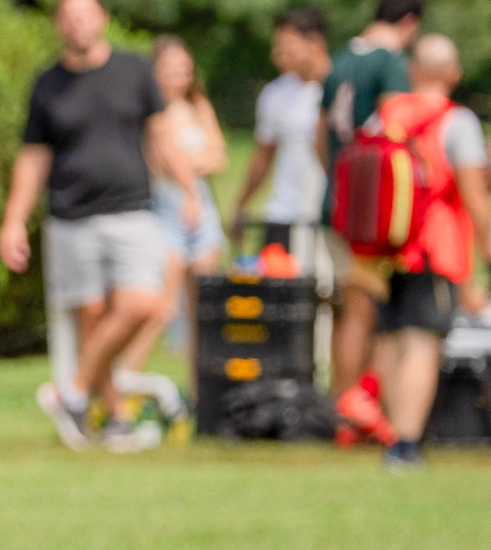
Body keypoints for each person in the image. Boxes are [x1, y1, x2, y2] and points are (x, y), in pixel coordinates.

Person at [0, 0, 198, 451]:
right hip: (71, 217)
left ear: (102, 18)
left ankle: (72, 390)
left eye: (85, 13)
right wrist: (13, 220)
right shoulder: (47, 84)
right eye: (69, 15)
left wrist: (189, 190)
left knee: (144, 304)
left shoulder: (133, 70)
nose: (78, 23)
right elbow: (33, 158)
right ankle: (116, 420)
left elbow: (161, 134)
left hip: (131, 209)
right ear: (59, 24)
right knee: (91, 319)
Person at [359, 36, 488, 470]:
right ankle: (406, 444)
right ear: (453, 74)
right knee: (422, 342)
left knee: (393, 338)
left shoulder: (386, 114)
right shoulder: (459, 122)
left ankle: (394, 436)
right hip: (435, 247)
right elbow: (474, 196)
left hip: (384, 248)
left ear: (414, 71)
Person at [320, 0, 422, 400]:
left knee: (349, 308)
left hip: (337, 199)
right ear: (410, 22)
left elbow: (319, 134)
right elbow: (398, 133)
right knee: (367, 312)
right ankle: (350, 405)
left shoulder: (340, 60)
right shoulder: (391, 62)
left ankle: (344, 398)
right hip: (373, 213)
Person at [120, 36, 227, 372]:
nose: (177, 77)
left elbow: (219, 157)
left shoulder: (199, 106)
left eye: (183, 69)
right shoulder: (149, 114)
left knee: (203, 310)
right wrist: (193, 162)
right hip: (166, 209)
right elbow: (160, 161)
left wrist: (186, 162)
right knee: (162, 309)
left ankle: (201, 400)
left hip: (202, 209)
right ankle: (121, 387)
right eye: (169, 69)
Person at [229, 10, 330, 253]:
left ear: (314, 43)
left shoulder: (340, 89)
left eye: (287, 46)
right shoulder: (275, 94)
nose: (278, 54)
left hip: (327, 214)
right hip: (283, 214)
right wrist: (241, 205)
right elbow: (263, 155)